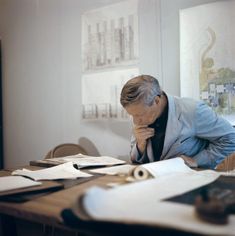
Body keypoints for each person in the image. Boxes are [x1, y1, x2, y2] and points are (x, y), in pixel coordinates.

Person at [120, 74, 235, 169]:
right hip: (155, 183)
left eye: (139, 115)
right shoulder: (139, 110)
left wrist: (197, 161)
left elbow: (231, 138)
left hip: (190, 183)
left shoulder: (193, 110)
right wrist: (140, 145)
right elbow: (135, 159)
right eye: (132, 115)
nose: (135, 120)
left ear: (156, 100)